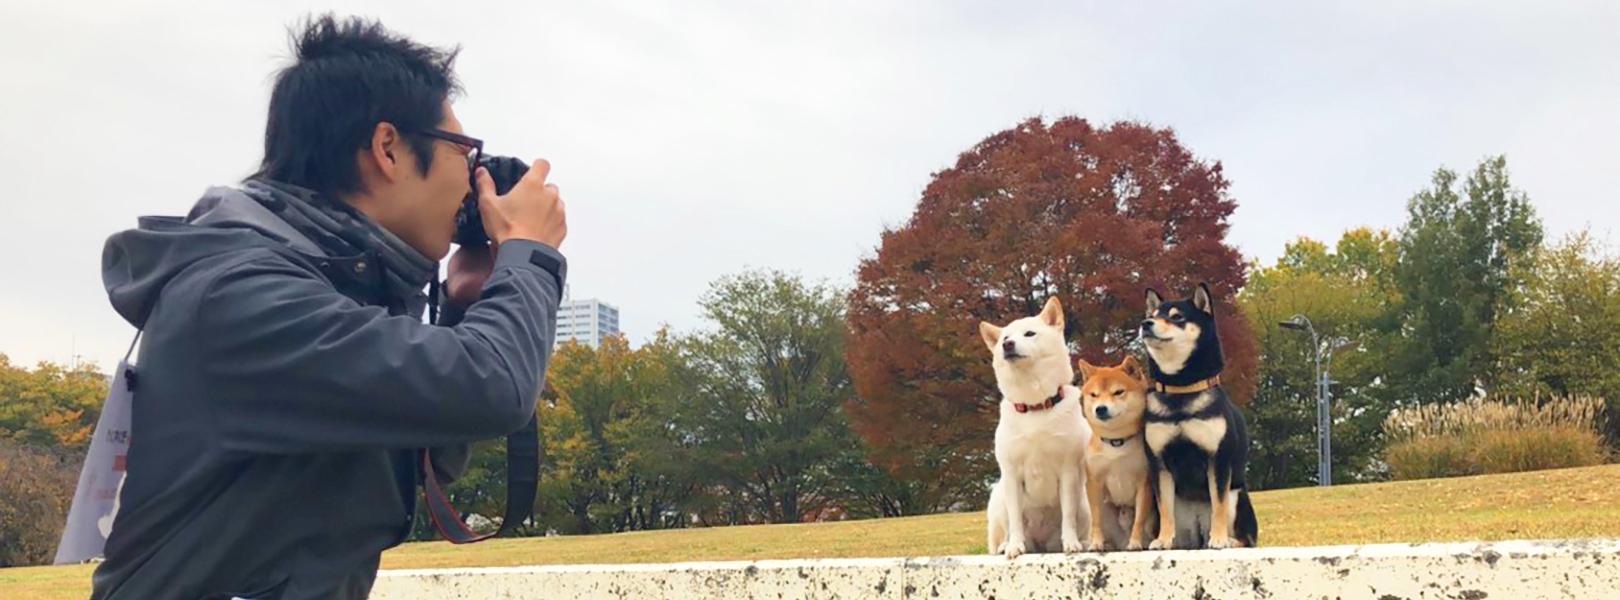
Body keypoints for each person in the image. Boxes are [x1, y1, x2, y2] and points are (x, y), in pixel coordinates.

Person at [91, 14, 567, 599]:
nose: (473, 181)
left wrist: (466, 302)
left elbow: (414, 461)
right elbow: (492, 388)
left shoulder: (327, 285)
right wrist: (530, 254)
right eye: (464, 151)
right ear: (388, 149)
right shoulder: (243, 294)